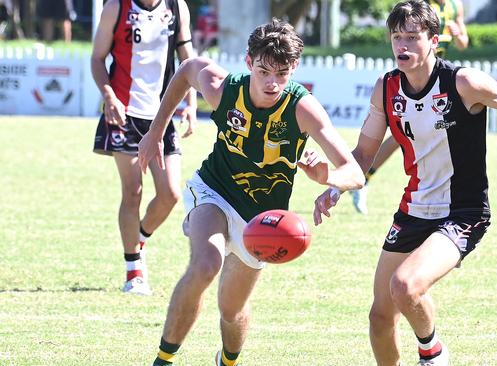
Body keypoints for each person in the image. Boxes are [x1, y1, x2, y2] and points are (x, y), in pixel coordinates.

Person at [313, 1, 497, 365]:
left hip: (462, 212)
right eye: (396, 37)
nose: (402, 46)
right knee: (379, 318)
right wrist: (334, 187)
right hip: (413, 209)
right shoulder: (386, 89)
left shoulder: (462, 83)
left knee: (405, 286)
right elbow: (363, 155)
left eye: (412, 38)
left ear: (434, 41)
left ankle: (432, 355)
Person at [138, 18, 364, 366]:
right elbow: (187, 69)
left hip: (262, 219)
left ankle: (227, 361)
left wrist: (328, 179)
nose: (272, 83)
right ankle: (162, 360)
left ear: (294, 69)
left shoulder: (303, 109)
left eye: (282, 74)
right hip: (214, 189)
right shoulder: (224, 89)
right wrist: (155, 132)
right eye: (264, 72)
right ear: (248, 62)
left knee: (232, 309)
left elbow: (355, 173)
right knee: (206, 264)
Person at [91, 0, 196, 295]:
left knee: (171, 194)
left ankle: (138, 237)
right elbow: (97, 59)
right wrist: (109, 96)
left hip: (161, 115)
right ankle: (133, 271)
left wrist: (190, 103)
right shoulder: (116, 7)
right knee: (133, 191)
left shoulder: (177, 7)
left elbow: (188, 60)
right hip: (123, 113)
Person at [350, 0, 469, 215]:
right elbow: (401, 33)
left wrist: (458, 34)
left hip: (439, 79)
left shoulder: (455, 5)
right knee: (401, 134)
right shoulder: (421, 5)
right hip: (416, 78)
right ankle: (362, 179)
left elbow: (463, 43)